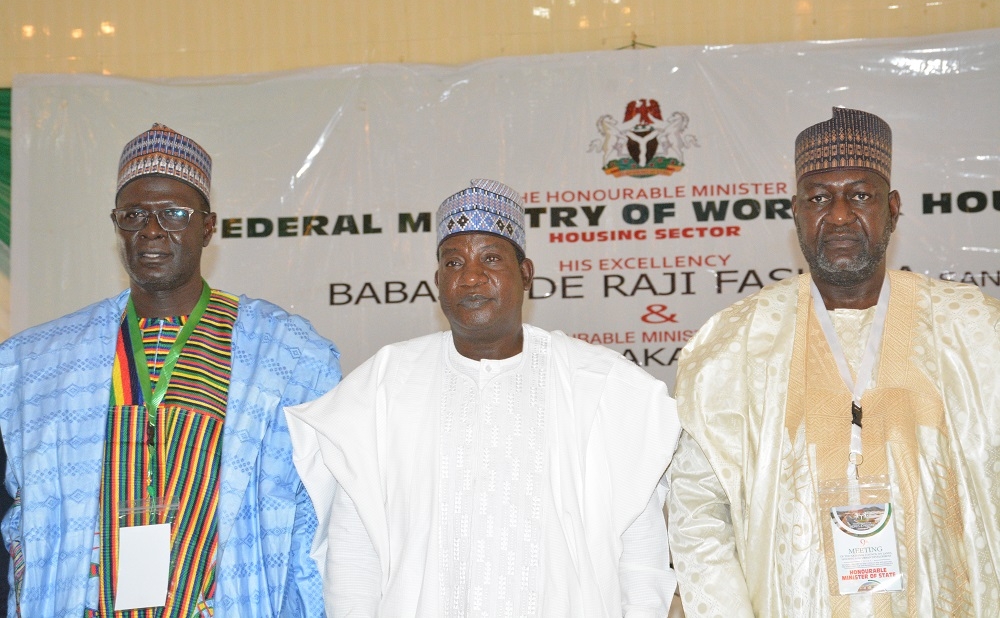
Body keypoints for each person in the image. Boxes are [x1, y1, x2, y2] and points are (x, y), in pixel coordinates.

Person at [286, 178, 681, 616]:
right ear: (438, 281)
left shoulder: (603, 386)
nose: (471, 276)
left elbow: (642, 556)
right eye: (453, 263)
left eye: (490, 258)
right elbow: (353, 554)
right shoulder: (382, 386)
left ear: (526, 273)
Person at [667, 107, 1000, 616]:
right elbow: (698, 510)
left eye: (860, 195)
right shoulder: (736, 343)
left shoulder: (973, 328)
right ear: (795, 212)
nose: (840, 215)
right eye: (819, 198)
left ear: (892, 208)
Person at [0, 124, 342, 616]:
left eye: (175, 214)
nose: (152, 230)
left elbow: (316, 522)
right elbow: (22, 518)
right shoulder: (44, 363)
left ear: (208, 226)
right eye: (133, 214)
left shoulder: (285, 356)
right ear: (115, 224)